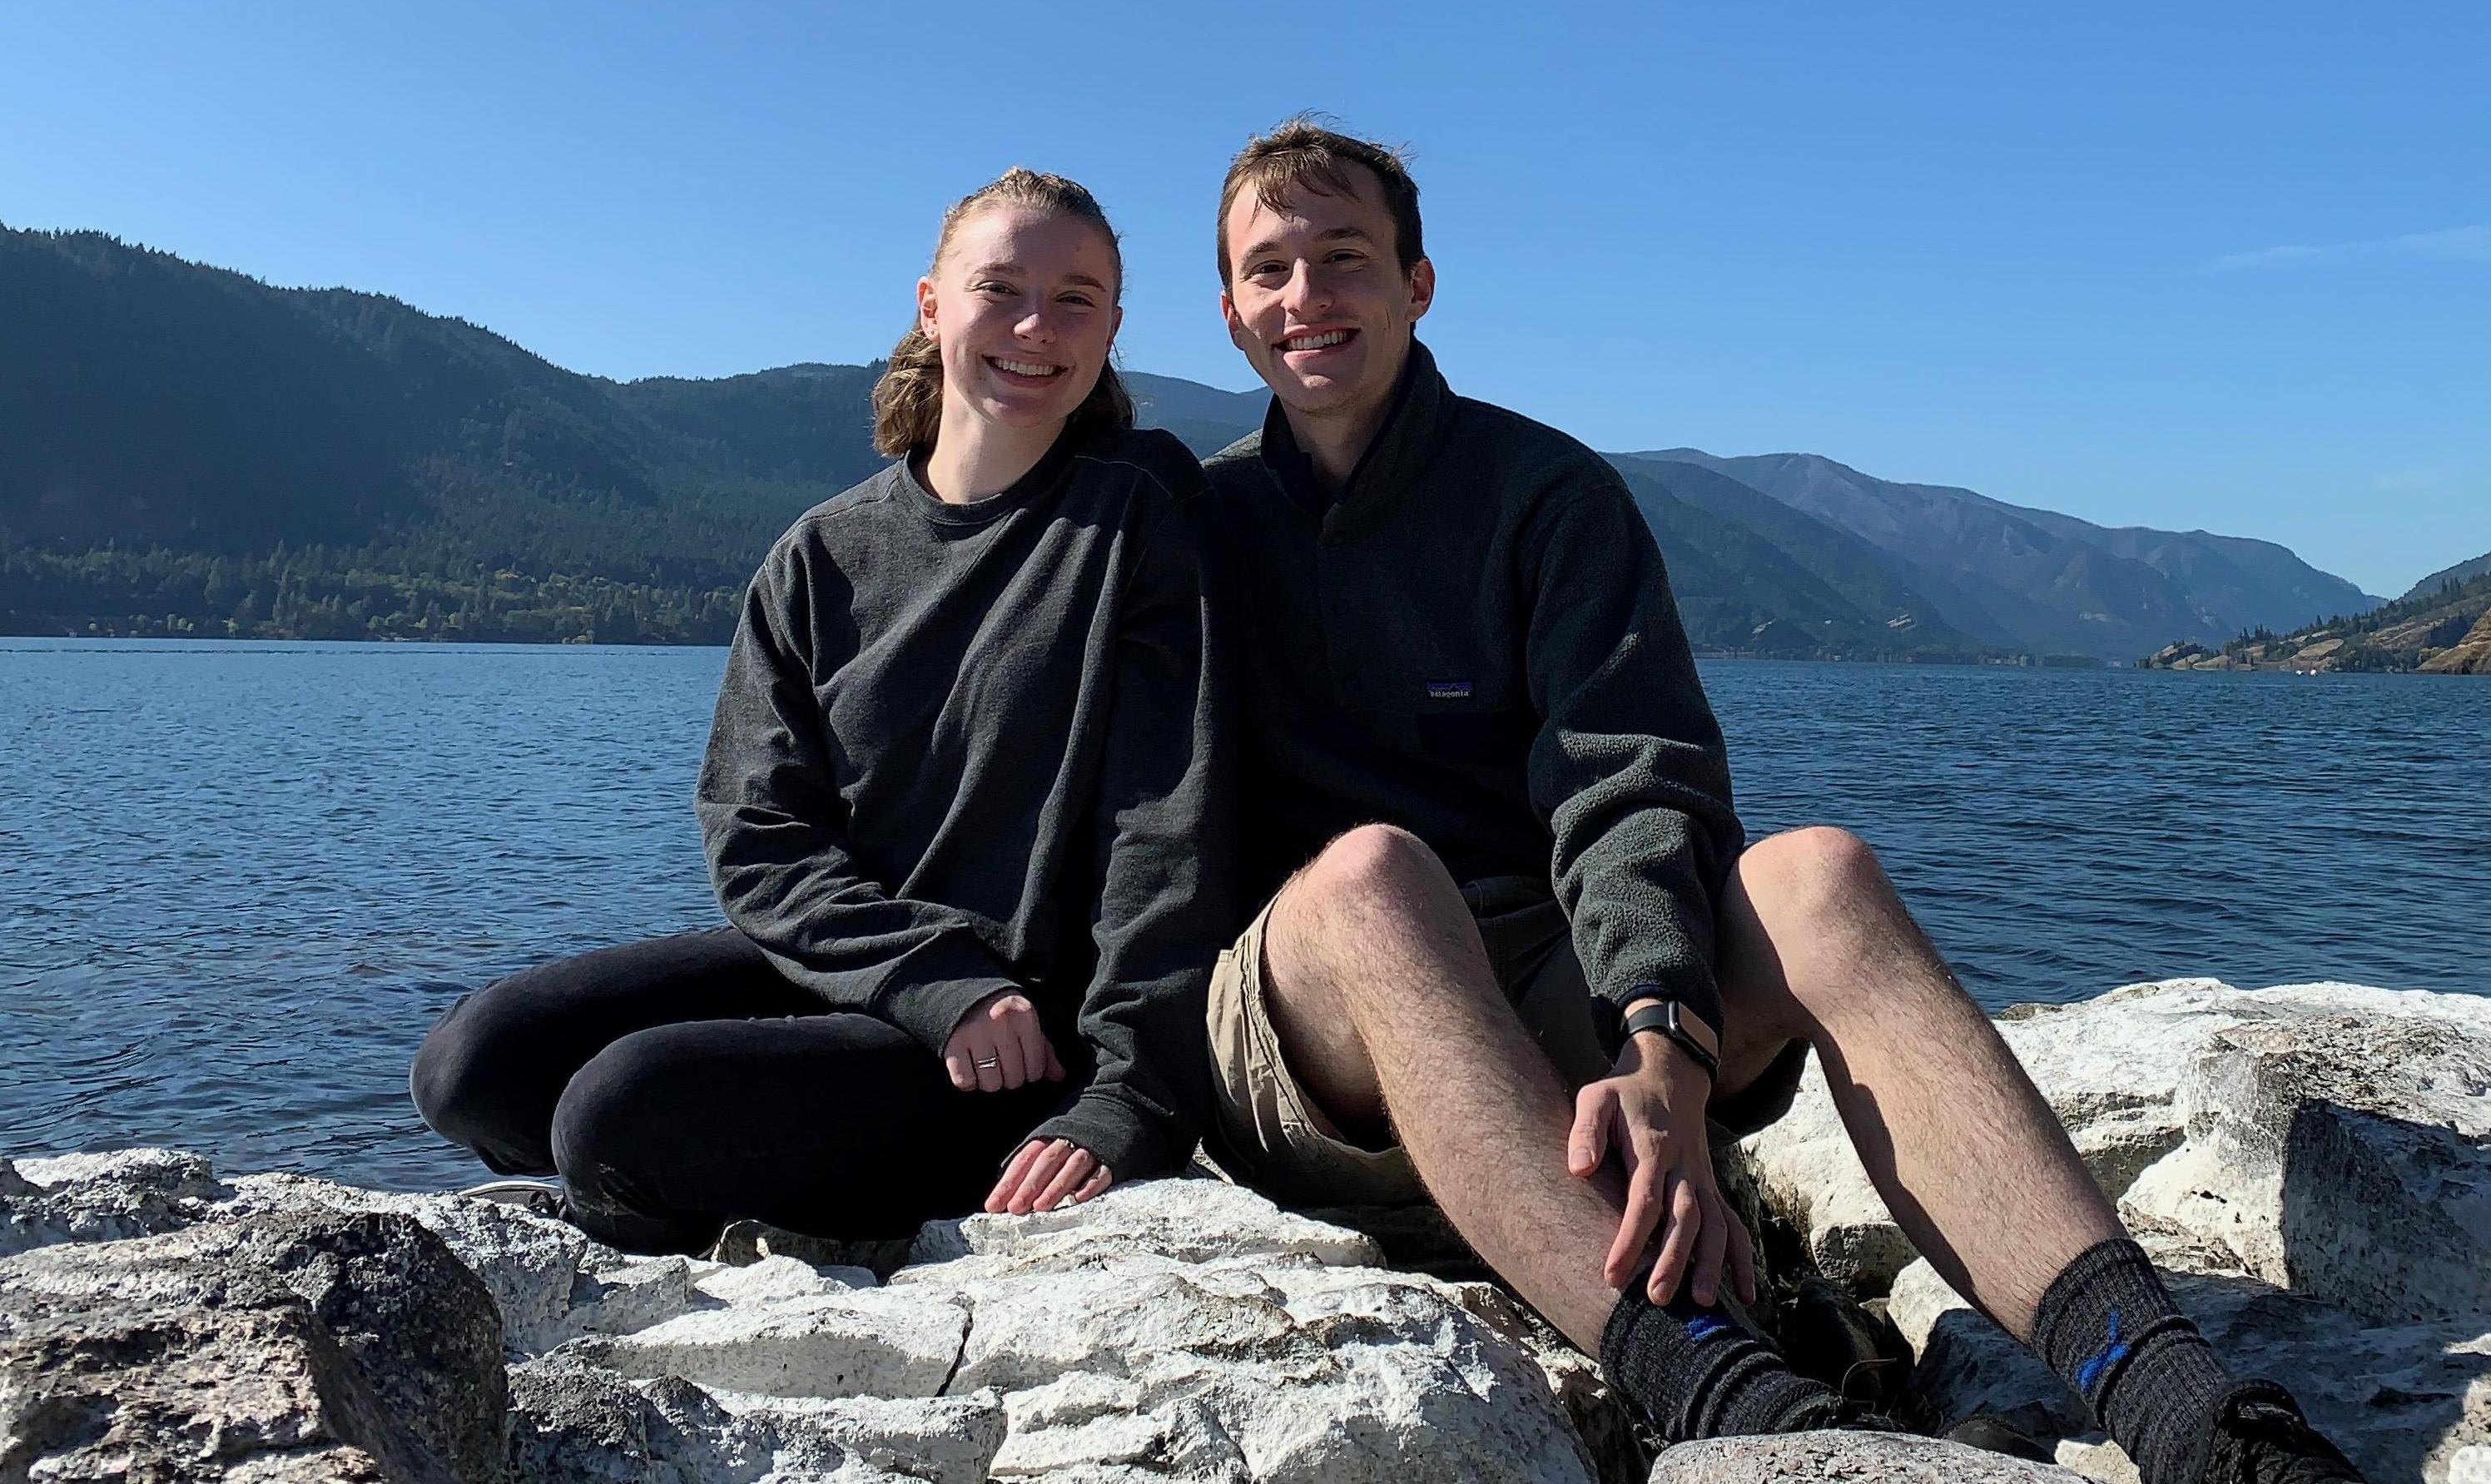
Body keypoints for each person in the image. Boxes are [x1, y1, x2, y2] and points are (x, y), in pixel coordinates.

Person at [1198, 118, 2360, 1484]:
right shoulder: (1191, 519)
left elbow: (1629, 777)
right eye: (1268, 268)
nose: (1305, 297)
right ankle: (1736, 1400)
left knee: (1818, 871)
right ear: (1226, 309)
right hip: (1312, 1036)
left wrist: (1664, 1045)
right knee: (1369, 875)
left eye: (1343, 258)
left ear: (1417, 282)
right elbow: (1116, 820)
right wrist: (1097, 1087)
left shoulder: (1543, 497)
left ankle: (2184, 1409)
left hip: (1544, 986)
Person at [413, 168, 1228, 1253]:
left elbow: (1167, 823)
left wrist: (1131, 1094)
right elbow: (756, 833)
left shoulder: (1137, 507)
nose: (1036, 326)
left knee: (618, 1112)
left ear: (1112, 327)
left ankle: (698, 1205)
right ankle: (682, 1177)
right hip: (889, 980)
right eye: (1000, 288)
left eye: (1075, 298)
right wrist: (930, 978)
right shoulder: (823, 555)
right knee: (476, 1063)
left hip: (1031, 1034)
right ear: (932, 305)